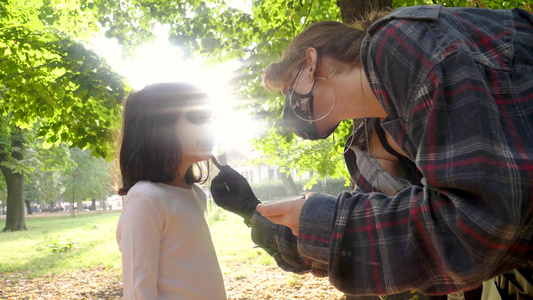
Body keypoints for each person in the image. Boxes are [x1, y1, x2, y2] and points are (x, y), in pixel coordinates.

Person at [211, 4, 533, 298]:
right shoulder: (365, 142)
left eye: (287, 91)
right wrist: (254, 213)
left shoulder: (402, 39)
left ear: (310, 63)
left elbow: (480, 225)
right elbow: (370, 239)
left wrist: (322, 220)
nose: (287, 109)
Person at [116, 82, 226, 299]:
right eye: (198, 117)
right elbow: (139, 290)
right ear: (159, 128)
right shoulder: (145, 199)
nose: (211, 126)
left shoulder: (195, 194)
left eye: (211, 117)